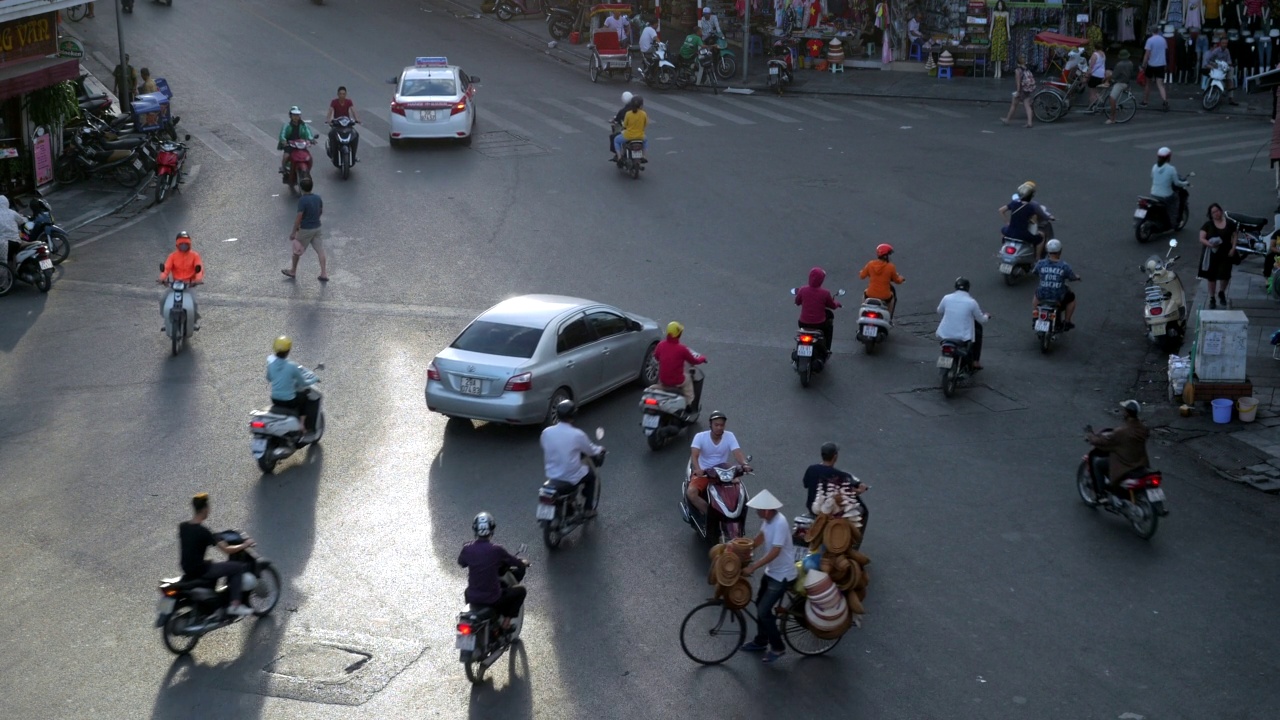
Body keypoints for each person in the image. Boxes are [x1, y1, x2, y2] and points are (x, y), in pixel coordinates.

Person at [737, 490, 796, 664]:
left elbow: (775, 551)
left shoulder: (780, 523)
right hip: (772, 573)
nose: (757, 513)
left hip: (782, 576)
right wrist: (743, 551)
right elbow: (760, 538)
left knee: (763, 611)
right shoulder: (768, 521)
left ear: (768, 511)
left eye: (759, 510)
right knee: (760, 604)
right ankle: (761, 641)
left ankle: (778, 648)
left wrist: (753, 566)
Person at [179, 493, 255, 617]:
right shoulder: (204, 532)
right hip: (200, 570)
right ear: (205, 509)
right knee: (236, 568)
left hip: (187, 568)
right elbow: (227, 550)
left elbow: (192, 544)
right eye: (208, 508)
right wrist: (245, 545)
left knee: (211, 562)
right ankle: (235, 606)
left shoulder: (183, 527)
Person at [458, 512, 529, 631]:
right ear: (491, 530)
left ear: (475, 530)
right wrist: (524, 562)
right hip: (493, 599)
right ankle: (506, 623)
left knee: (467, 590)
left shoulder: (467, 549)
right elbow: (514, 562)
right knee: (521, 591)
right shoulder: (496, 550)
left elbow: (461, 563)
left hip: (472, 597)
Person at [540, 400, 604, 517]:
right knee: (590, 475)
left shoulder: (546, 432)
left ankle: (569, 505)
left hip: (552, 475)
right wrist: (600, 450)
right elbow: (590, 450)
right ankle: (588, 509)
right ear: (573, 415)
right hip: (569, 477)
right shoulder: (577, 434)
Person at [686, 411, 751, 516]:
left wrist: (744, 464)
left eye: (722, 425)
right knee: (691, 493)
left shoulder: (730, 436)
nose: (719, 427)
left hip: (724, 473)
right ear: (710, 425)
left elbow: (737, 452)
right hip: (705, 473)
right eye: (716, 425)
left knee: (739, 492)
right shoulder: (700, 437)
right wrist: (698, 469)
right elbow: (694, 455)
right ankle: (709, 515)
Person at [1086, 400, 1151, 500]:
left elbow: (1103, 442)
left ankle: (1101, 494)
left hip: (1125, 465)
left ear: (1127, 413)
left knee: (1097, 463)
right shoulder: (1143, 429)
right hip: (1139, 462)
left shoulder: (1121, 432)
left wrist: (1090, 435)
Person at [801, 442, 869, 528]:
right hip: (831, 513)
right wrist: (859, 491)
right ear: (835, 456)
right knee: (859, 510)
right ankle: (853, 538)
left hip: (812, 509)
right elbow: (849, 493)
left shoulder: (811, 469)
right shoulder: (840, 476)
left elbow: (805, 484)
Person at [267, 336, 320, 438]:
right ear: (288, 350)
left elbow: (269, 378)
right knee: (305, 396)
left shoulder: (271, 364)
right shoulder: (292, 366)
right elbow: (304, 383)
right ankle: (301, 424)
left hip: (275, 400)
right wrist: (315, 379)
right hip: (289, 401)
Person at [936, 277, 990, 370]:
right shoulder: (971, 302)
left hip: (945, 334)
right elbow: (981, 319)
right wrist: (986, 316)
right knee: (978, 331)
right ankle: (975, 361)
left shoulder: (946, 298)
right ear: (968, 288)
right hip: (962, 336)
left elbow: (939, 311)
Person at [649, 321, 707, 407]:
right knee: (688, 380)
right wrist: (702, 358)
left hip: (663, 380)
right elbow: (694, 361)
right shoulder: (682, 349)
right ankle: (689, 404)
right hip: (677, 381)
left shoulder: (661, 345)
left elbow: (656, 356)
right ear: (679, 334)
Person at [158, 231, 205, 329]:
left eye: (186, 244)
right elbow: (166, 268)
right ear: (177, 244)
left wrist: (198, 279)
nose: (183, 246)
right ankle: (166, 319)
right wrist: (162, 278)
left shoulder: (195, 256)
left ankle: (194, 321)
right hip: (175, 284)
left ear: (189, 244)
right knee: (163, 299)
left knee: (194, 302)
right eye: (181, 244)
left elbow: (199, 268)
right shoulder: (172, 256)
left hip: (189, 284)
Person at [283, 178, 327, 281]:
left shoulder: (303, 200)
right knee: (320, 250)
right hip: (317, 228)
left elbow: (299, 216)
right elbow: (320, 211)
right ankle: (324, 273)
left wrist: (294, 232)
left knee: (296, 251)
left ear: (301, 188)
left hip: (305, 229)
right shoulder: (317, 198)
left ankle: (293, 270)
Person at [1031, 238, 1081, 330]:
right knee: (1071, 298)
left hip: (1043, 294)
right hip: (1058, 296)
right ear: (1060, 251)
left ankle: (1036, 314)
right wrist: (1077, 277)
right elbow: (1072, 277)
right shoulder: (1064, 266)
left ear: (1047, 251)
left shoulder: (1041, 263)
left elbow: (1034, 272)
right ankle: (1067, 321)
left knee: (1037, 293)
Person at [1198, 203, 1239, 308]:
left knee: (1225, 275)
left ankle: (1221, 292)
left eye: (1217, 211)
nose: (1216, 213)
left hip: (1226, 252)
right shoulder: (1208, 225)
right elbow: (1202, 238)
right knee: (1211, 277)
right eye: (1213, 212)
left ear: (1221, 210)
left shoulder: (1229, 223)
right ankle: (1212, 298)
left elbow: (1235, 235)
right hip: (1212, 253)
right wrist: (1210, 244)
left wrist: (1233, 248)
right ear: (1211, 215)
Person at [1000, 181, 1054, 260]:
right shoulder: (1031, 207)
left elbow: (1001, 210)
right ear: (1031, 196)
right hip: (1023, 234)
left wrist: (1007, 222)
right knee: (1041, 236)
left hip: (1010, 231)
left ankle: (1004, 247)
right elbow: (1034, 222)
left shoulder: (1014, 203)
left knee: (1003, 230)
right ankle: (1038, 258)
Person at [795, 266, 842, 355]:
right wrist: (837, 304)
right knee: (829, 327)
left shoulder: (802, 290)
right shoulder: (825, 293)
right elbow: (832, 305)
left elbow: (797, 302)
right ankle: (827, 348)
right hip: (819, 324)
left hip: (803, 322)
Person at [859, 244, 905, 318]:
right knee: (892, 298)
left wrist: (862, 272)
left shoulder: (870, 264)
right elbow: (897, 280)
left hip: (870, 294)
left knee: (864, 293)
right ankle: (889, 317)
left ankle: (864, 310)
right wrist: (901, 279)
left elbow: (862, 276)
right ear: (886, 256)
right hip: (885, 296)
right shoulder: (890, 267)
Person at [1150, 147, 1190, 231]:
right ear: (1169, 157)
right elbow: (1177, 183)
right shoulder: (1171, 169)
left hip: (1153, 194)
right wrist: (1186, 183)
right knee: (1176, 200)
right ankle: (1174, 222)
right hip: (1166, 196)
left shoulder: (1154, 167)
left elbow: (1152, 177)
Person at [324, 86, 361, 165]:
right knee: (331, 134)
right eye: (340, 94)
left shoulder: (349, 102)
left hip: (347, 124)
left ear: (346, 94)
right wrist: (329, 120)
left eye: (344, 94)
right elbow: (330, 111)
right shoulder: (334, 102)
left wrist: (357, 119)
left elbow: (353, 110)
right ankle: (333, 154)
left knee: (355, 135)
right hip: (337, 124)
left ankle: (354, 155)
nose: (342, 95)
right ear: (338, 94)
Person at [1202, 37, 1240, 106]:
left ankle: (1230, 97)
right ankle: (1206, 91)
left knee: (1231, 72)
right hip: (1216, 67)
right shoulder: (1216, 51)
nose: (1224, 45)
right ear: (1220, 44)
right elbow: (1208, 60)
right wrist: (1210, 65)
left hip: (1224, 68)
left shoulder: (1227, 51)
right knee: (1210, 77)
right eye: (1223, 43)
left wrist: (1228, 65)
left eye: (1226, 43)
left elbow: (1229, 61)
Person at [278, 106, 315, 174]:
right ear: (290, 116)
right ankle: (283, 168)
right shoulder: (287, 125)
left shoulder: (304, 125)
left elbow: (308, 133)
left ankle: (307, 170)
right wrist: (283, 140)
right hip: (290, 144)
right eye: (294, 115)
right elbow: (282, 134)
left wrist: (311, 139)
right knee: (286, 156)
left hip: (301, 144)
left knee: (309, 158)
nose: (296, 117)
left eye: (297, 115)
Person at [1002, 56, 1035, 128]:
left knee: (1013, 105)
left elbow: (1018, 82)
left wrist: (1018, 92)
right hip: (1028, 89)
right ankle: (1029, 122)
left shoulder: (1018, 70)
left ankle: (1007, 120)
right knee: (1027, 106)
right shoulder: (1027, 69)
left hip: (1021, 90)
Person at [1142, 26, 1170, 111]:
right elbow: (1165, 51)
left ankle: (1145, 101)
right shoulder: (1163, 40)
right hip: (1161, 64)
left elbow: (1147, 54)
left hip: (1151, 64)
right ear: (1158, 31)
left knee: (1148, 83)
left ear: (1151, 31)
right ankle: (1165, 100)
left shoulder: (1150, 40)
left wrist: (1144, 64)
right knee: (1160, 84)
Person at [613, 95, 648, 162]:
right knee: (645, 141)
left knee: (616, 140)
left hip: (628, 136)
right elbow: (645, 124)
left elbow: (625, 125)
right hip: (640, 136)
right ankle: (644, 156)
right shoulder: (644, 114)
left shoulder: (628, 114)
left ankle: (619, 157)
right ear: (641, 105)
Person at [1106, 49, 1136, 125]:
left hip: (1120, 83)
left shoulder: (1119, 65)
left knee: (1112, 99)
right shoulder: (1130, 63)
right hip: (1126, 83)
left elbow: (1114, 76)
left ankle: (1112, 118)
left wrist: (1107, 79)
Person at [0, 195, 27, 266]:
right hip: (15, 242)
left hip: (2, 244)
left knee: (3, 262)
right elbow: (22, 221)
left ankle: (5, 276)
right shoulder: (12, 212)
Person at [1086, 44, 1107, 108]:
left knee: (1092, 91)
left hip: (1095, 75)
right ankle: (1100, 103)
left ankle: (1092, 106)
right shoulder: (1103, 54)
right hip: (1101, 75)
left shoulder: (1095, 55)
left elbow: (1091, 67)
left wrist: (1087, 75)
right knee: (1096, 90)